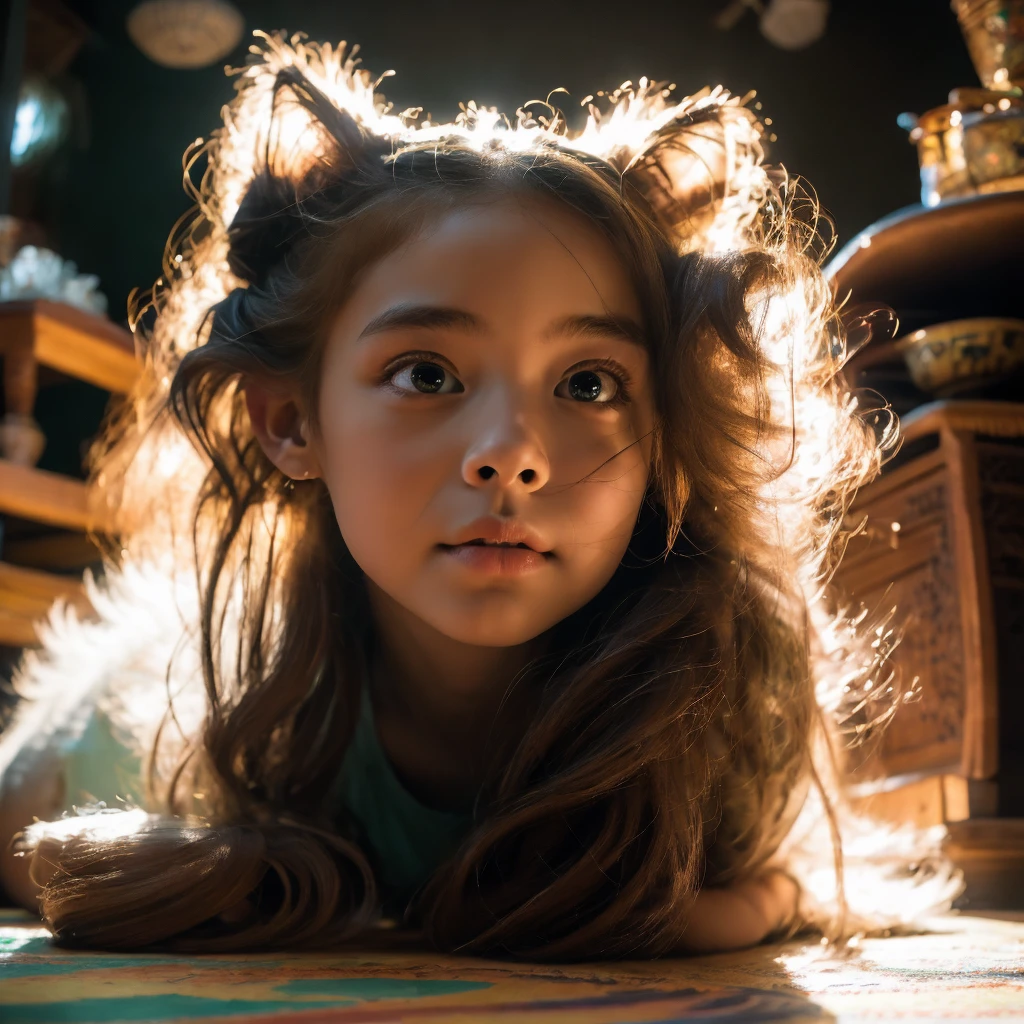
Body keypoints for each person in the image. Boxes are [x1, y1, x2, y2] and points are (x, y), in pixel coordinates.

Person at [0, 32, 948, 959]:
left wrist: (723, 912)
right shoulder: (188, 719)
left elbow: (786, 871)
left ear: (667, 434)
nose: (510, 457)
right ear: (291, 421)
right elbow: (38, 856)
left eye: (589, 384)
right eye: (425, 374)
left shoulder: (730, 688)